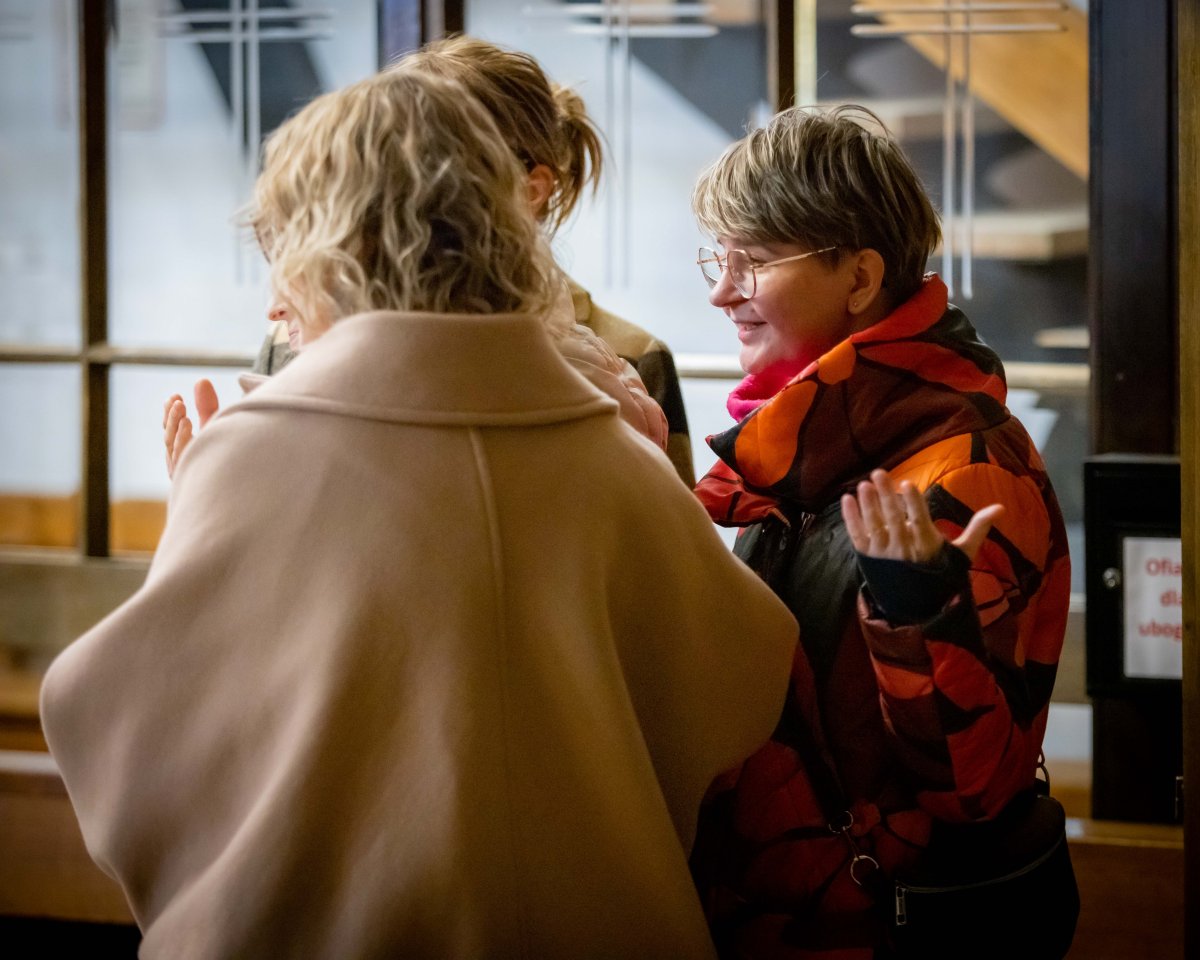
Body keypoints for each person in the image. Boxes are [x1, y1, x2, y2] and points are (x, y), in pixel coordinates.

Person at [39, 66, 800, 959]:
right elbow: (741, 676)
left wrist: (198, 521)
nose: (277, 296)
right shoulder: (611, 449)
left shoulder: (254, 454)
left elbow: (109, 716)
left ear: (338, 245)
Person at [685, 104, 1071, 958]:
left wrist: (919, 606)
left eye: (754, 262)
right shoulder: (807, 446)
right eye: (720, 258)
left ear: (859, 278)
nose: (722, 291)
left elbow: (974, 790)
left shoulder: (963, 470)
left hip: (871, 928)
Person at [167, 34, 695, 487]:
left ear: (530, 189)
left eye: (441, 170)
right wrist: (219, 496)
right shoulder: (293, 338)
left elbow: (660, 549)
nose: (406, 196)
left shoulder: (631, 358)